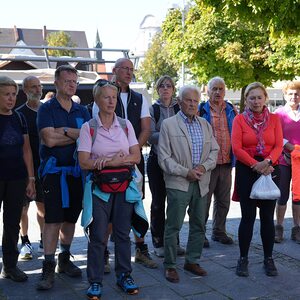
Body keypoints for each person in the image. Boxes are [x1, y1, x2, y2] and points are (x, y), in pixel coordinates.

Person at [78, 79, 145, 299]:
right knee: (98, 236)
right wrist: (113, 161)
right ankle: (95, 281)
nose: (111, 101)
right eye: (106, 97)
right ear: (97, 100)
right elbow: (84, 162)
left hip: (124, 187)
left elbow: (136, 156)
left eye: (114, 97)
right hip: (99, 189)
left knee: (122, 234)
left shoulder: (125, 125)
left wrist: (105, 160)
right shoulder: (89, 128)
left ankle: (124, 275)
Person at [94, 58, 156, 269]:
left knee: (135, 204)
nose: (129, 72)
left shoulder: (139, 98)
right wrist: (115, 157)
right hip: (108, 164)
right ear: (115, 71)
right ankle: (103, 252)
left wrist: (133, 149)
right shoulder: (103, 95)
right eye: (125, 69)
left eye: (131, 69)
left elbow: (146, 128)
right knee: (108, 209)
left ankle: (140, 248)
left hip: (133, 161)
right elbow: (96, 127)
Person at [36, 65, 90, 290]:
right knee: (52, 219)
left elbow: (89, 136)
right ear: (56, 83)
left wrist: (63, 131)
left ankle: (64, 260)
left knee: (70, 219)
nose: (71, 84)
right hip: (54, 173)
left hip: (77, 173)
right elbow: (48, 140)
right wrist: (75, 135)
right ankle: (47, 268)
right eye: (67, 80)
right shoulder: (46, 109)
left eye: (74, 81)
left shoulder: (82, 111)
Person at [158, 85, 219, 283]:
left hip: (201, 181)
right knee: (173, 225)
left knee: (199, 224)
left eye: (195, 101)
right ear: (179, 102)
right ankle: (170, 265)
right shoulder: (168, 124)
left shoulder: (205, 124)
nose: (192, 104)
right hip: (178, 182)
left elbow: (214, 151)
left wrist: (202, 167)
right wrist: (186, 172)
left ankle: (192, 260)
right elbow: (164, 158)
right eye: (188, 100)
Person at [232, 82, 283, 277]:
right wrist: (256, 164)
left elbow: (278, 145)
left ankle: (268, 259)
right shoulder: (239, 120)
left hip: (271, 168)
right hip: (248, 170)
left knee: (267, 218)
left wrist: (268, 161)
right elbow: (237, 148)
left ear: (265, 99)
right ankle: (243, 258)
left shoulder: (275, 119)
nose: (255, 101)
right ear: (246, 100)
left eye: (259, 97)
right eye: (251, 97)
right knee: (247, 217)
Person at [0, 76, 35, 282]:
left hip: (17, 178)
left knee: (12, 223)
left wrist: (30, 179)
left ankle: (10, 266)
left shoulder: (19, 118)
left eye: (13, 94)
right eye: (6, 94)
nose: (11, 98)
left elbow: (27, 149)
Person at [147, 75, 184, 257]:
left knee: (175, 203)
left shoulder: (180, 108)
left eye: (169, 85)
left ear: (173, 89)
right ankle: (158, 241)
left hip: (176, 160)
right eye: (162, 86)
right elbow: (150, 136)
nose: (166, 89)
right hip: (157, 161)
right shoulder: (152, 109)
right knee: (158, 203)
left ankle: (174, 240)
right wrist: (171, 134)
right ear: (157, 89)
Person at [199, 76, 237, 247]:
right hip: (208, 163)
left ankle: (219, 231)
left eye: (220, 89)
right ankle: (200, 234)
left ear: (225, 91)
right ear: (207, 91)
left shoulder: (231, 110)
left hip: (227, 161)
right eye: (214, 88)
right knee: (204, 200)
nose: (217, 92)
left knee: (223, 200)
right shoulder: (201, 110)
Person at [16, 76, 45, 259]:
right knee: (22, 209)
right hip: (24, 168)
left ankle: (44, 238)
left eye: (39, 86)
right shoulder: (19, 113)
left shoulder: (48, 110)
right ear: (25, 90)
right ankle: (25, 240)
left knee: (43, 208)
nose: (37, 89)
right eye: (33, 87)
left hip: (44, 168)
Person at [274, 81, 300, 243]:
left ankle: (297, 228)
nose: (294, 96)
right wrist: (289, 146)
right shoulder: (278, 114)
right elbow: (275, 135)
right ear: (285, 95)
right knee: (282, 195)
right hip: (283, 159)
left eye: (296, 94)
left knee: (298, 197)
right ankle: (279, 227)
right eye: (290, 93)